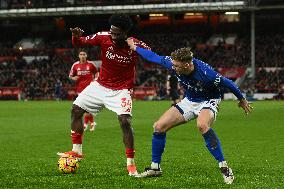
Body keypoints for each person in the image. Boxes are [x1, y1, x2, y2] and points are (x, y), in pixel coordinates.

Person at [127, 38, 253, 184]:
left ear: (187, 64)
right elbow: (153, 57)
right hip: (189, 101)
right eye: (173, 64)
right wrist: (135, 48)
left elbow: (228, 83)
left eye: (176, 66)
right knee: (158, 126)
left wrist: (242, 99)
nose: (173, 68)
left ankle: (224, 167)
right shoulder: (173, 63)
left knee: (202, 125)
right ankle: (155, 168)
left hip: (209, 100)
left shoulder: (207, 74)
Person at [57, 14, 150, 176]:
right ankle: (76, 151)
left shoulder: (135, 44)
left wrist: (137, 49)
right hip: (100, 85)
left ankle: (131, 164)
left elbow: (151, 56)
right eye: (112, 32)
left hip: (122, 89)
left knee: (125, 121)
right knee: (76, 110)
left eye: (117, 34)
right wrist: (76, 36)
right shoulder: (103, 37)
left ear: (126, 32)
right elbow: (80, 43)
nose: (113, 36)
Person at [69, 49, 99, 131]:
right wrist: (74, 78)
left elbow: (96, 73)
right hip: (80, 89)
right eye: (81, 54)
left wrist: (95, 79)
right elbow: (70, 75)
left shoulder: (90, 64)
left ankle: (86, 124)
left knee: (86, 107)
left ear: (86, 56)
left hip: (90, 89)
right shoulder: (75, 65)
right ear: (78, 56)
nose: (82, 56)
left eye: (84, 54)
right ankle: (91, 123)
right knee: (85, 108)